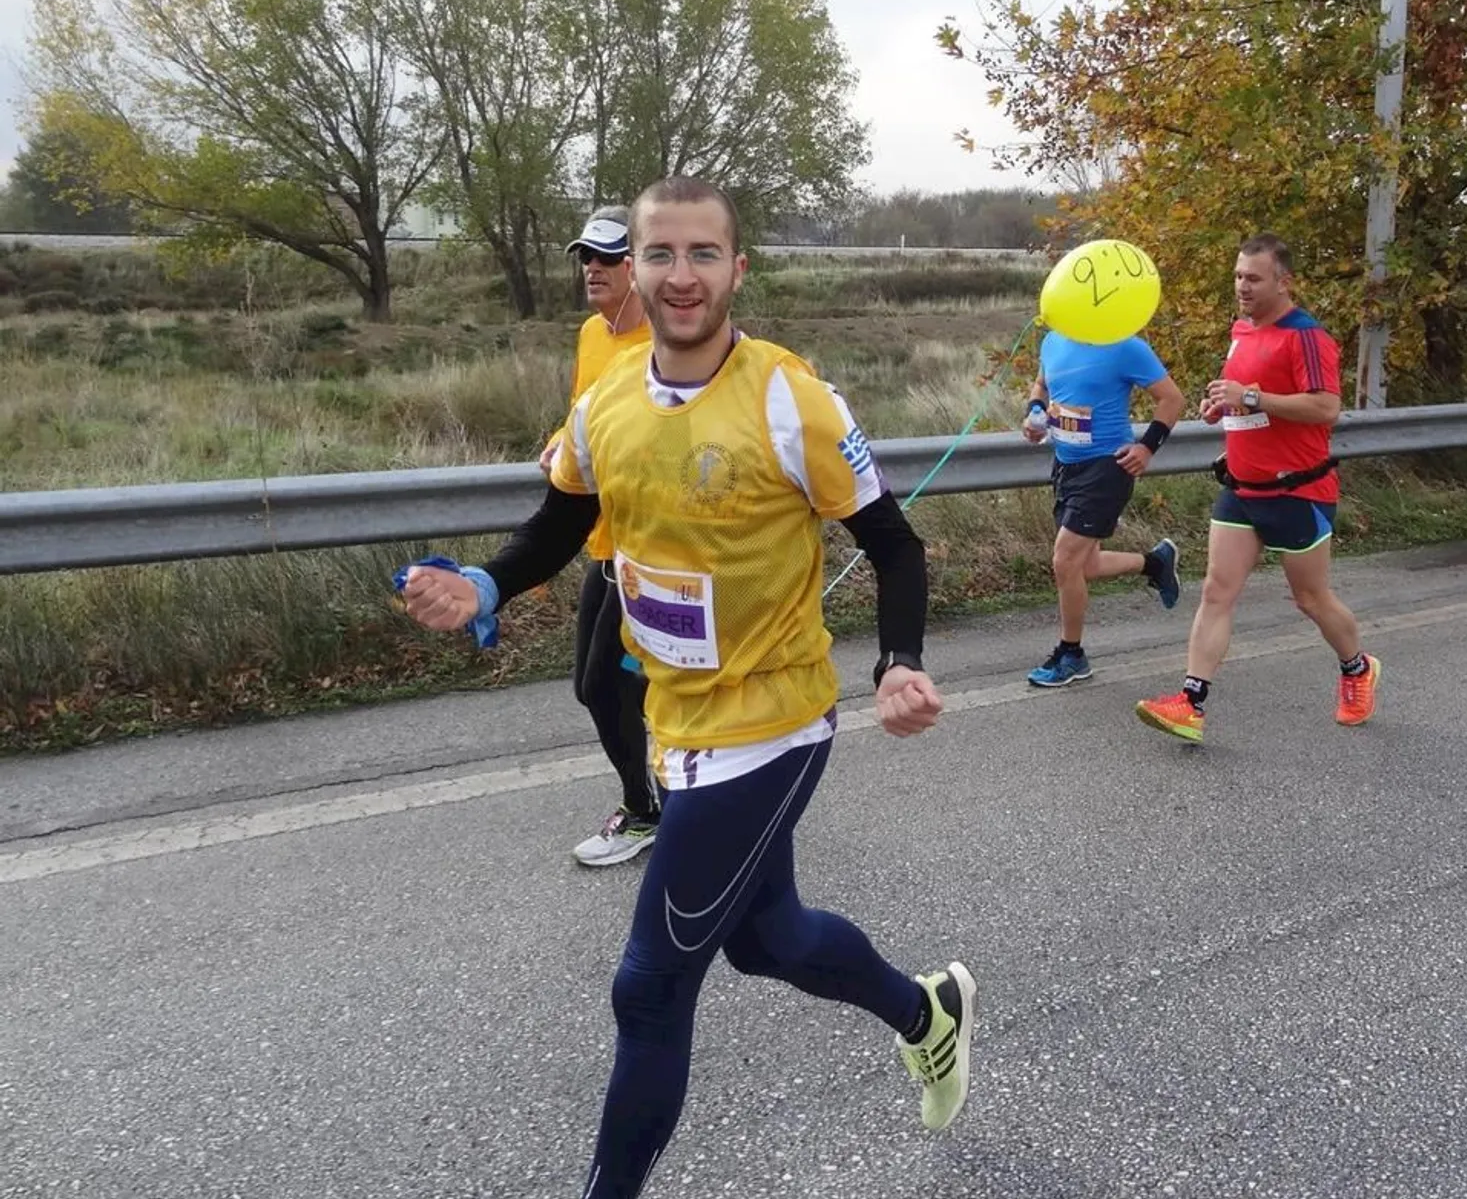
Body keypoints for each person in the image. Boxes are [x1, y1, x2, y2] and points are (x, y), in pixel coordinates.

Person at [399, 176, 975, 1197]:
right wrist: (485, 579)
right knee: (769, 941)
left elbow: (894, 545)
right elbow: (562, 524)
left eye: (703, 254)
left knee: (651, 987)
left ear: (736, 269)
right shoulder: (606, 401)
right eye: (659, 253)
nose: (679, 275)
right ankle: (928, 1014)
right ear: (632, 270)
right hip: (678, 715)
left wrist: (898, 662)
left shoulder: (791, 399)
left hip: (774, 723)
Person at [1135, 233, 1378, 742]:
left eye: (1253, 278)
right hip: (1243, 488)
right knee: (1216, 590)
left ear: (1283, 281)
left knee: (1310, 599)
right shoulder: (1242, 331)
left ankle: (1357, 669)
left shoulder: (1306, 336)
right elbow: (1248, 403)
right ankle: (1191, 702)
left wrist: (1252, 396)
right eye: (1238, 277)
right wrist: (1223, 408)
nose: (1242, 287)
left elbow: (1325, 407)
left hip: (1298, 490)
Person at [542, 205, 661, 867]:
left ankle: (646, 811)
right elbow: (584, 419)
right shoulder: (593, 334)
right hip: (602, 543)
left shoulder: (659, 346)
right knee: (595, 688)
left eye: (609, 257)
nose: (593, 267)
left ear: (636, 268)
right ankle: (670, 792)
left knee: (610, 685)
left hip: (645, 551)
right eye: (586, 255)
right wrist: (561, 442)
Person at [1020, 327, 1186, 686]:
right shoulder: (1052, 340)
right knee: (1086, 564)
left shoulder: (1125, 346)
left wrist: (1147, 447)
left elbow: (1172, 398)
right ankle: (1155, 563)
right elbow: (1041, 386)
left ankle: (1071, 654)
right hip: (1066, 465)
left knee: (1064, 560)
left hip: (1108, 467)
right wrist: (1035, 413)